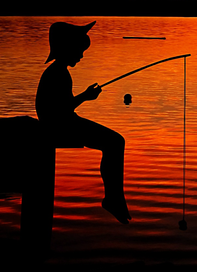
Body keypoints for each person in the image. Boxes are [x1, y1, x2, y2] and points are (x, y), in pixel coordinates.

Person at [35, 21, 131, 224]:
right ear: (67, 48)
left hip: (63, 122)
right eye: (79, 50)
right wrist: (85, 97)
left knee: (114, 142)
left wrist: (83, 97)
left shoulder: (59, 72)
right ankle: (113, 198)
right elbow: (61, 109)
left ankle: (114, 197)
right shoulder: (57, 73)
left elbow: (62, 106)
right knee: (114, 142)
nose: (81, 55)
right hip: (60, 126)